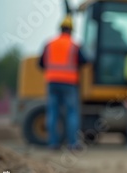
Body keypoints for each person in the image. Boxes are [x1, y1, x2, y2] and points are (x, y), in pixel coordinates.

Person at [39, 15, 87, 150]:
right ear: (71, 30)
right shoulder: (74, 45)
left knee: (53, 112)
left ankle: (53, 143)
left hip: (52, 82)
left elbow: (41, 63)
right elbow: (84, 61)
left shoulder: (49, 44)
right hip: (69, 83)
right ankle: (72, 144)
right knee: (72, 112)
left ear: (60, 28)